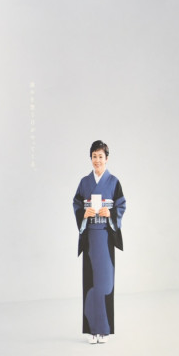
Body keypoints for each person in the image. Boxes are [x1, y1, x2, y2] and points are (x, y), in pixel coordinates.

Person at [73, 140, 126, 344]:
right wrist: (84, 213)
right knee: (90, 282)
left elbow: (121, 205)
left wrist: (110, 213)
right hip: (90, 237)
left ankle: (103, 330)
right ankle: (92, 331)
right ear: (91, 158)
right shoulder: (84, 182)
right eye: (94, 156)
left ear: (107, 158)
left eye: (100, 156)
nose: (97, 160)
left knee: (105, 283)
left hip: (105, 236)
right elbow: (77, 203)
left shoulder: (113, 182)